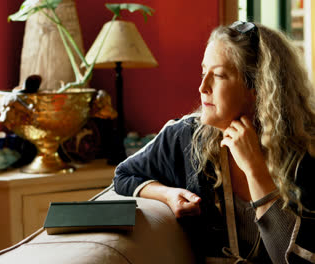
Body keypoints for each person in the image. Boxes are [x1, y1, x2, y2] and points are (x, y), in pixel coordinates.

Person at [114, 21, 315, 264]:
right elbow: (124, 174)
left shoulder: (306, 148)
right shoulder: (185, 135)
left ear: (258, 88)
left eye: (218, 75)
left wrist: (255, 170)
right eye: (203, 72)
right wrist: (167, 195)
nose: (202, 87)